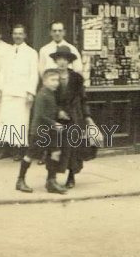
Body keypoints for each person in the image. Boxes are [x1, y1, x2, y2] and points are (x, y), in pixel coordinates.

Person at [16, 68, 68, 195]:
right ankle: (20, 180)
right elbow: (40, 115)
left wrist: (59, 113)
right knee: (30, 155)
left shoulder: (51, 93)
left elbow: (51, 109)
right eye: (52, 80)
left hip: (50, 131)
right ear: (45, 81)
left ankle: (51, 181)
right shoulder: (41, 94)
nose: (56, 83)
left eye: (57, 80)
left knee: (55, 153)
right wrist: (54, 123)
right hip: (40, 131)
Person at [52, 45, 97, 189]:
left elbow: (83, 99)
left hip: (74, 117)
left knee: (72, 148)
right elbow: (47, 98)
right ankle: (51, 177)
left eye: (65, 59)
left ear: (69, 61)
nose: (62, 62)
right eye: (59, 58)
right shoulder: (51, 77)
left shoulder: (76, 78)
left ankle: (71, 177)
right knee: (55, 147)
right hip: (56, 118)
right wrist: (57, 111)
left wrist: (88, 117)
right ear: (56, 60)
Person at [0, 25, 38, 161]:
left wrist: (31, 92)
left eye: (20, 34)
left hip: (22, 92)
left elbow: (34, 74)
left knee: (20, 122)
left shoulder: (31, 52)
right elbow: (3, 72)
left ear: (25, 35)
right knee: (6, 121)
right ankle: (6, 149)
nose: (17, 36)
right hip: (8, 91)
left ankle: (19, 150)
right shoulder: (8, 51)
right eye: (15, 33)